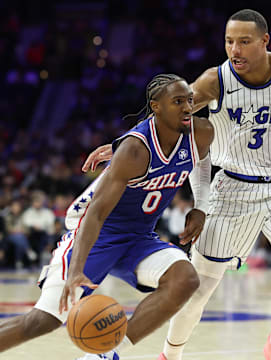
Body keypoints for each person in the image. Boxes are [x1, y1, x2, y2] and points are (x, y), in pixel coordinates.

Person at [83, 9, 271, 360]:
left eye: (244, 42)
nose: (235, 50)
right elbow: (168, 115)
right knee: (197, 289)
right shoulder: (216, 80)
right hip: (232, 190)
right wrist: (124, 142)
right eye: (229, 41)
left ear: (264, 41)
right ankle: (171, 354)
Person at [0, 74, 214, 360]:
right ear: (156, 107)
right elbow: (96, 213)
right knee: (44, 319)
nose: (188, 107)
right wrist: (76, 270)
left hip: (139, 238)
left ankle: (106, 354)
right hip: (97, 233)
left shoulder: (201, 132)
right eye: (178, 102)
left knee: (185, 279)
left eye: (189, 100)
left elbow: (201, 161)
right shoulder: (135, 150)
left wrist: (201, 205)